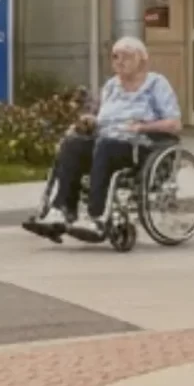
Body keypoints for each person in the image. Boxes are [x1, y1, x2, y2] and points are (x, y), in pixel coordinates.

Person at [28, 37, 181, 243]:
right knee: (73, 143)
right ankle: (62, 209)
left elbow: (174, 124)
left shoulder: (156, 84)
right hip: (106, 141)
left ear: (143, 60)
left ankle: (97, 216)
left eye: (126, 56)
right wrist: (89, 121)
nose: (119, 61)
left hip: (141, 146)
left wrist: (143, 126)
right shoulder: (111, 85)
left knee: (105, 146)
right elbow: (102, 118)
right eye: (115, 56)